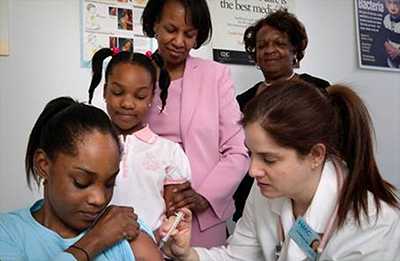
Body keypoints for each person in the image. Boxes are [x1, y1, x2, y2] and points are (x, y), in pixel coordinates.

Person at [160, 80, 400, 260]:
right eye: (251, 153)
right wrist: (188, 254)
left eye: (269, 159)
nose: (253, 170)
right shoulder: (266, 189)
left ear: (316, 155)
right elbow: (239, 256)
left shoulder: (374, 221)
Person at [142, 0, 249, 247]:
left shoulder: (215, 76)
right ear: (154, 24)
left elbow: (238, 150)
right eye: (171, 29)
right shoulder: (137, 75)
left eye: (189, 34)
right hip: (146, 215)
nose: (179, 42)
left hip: (202, 218)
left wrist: (205, 196)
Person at [0, 97, 162, 260]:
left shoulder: (126, 227)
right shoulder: (7, 232)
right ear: (44, 165)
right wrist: (96, 240)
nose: (99, 199)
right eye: (81, 182)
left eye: (109, 183)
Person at [233, 10, 330, 222]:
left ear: (294, 49)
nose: (270, 50)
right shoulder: (241, 102)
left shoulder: (318, 90)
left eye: (279, 43)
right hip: (256, 196)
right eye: (262, 46)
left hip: (309, 199)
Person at [88, 48, 191, 235]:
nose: (127, 103)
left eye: (140, 96)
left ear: (152, 96)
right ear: (105, 91)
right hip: (98, 248)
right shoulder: (89, 146)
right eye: (118, 92)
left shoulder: (169, 152)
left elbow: (174, 214)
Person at [382, 0, 400, 68]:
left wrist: (398, 52)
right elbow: (383, 36)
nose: (392, 6)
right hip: (391, 59)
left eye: (396, 3)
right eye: (389, 2)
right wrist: (387, 45)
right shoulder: (386, 19)